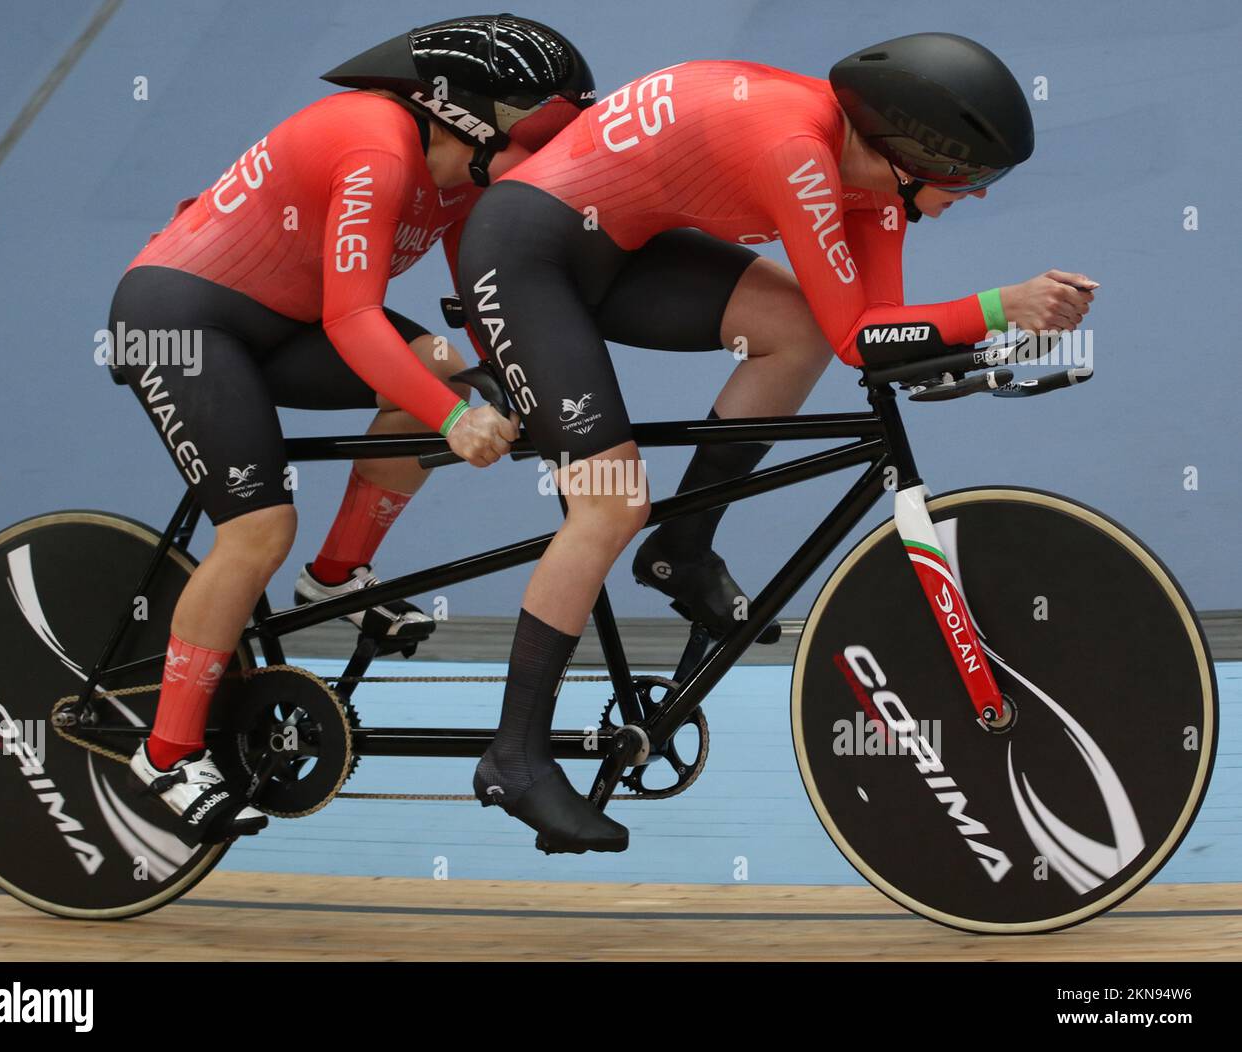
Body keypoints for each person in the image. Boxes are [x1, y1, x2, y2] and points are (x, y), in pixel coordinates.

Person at [456, 32, 1097, 853]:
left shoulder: (875, 188)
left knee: (794, 325)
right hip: (525, 250)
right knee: (611, 504)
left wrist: (992, 347)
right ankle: (514, 755)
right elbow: (866, 340)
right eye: (969, 178)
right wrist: (1002, 306)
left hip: (620, 248)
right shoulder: (796, 148)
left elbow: (874, 336)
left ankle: (681, 550)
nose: (974, 197)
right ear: (908, 151)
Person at [108, 15, 595, 845]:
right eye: (542, 129)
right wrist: (453, 419)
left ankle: (335, 577)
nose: (552, 152)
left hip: (281, 320)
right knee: (258, 530)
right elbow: (354, 318)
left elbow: (477, 308)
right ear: (472, 114)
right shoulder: (377, 145)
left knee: (453, 368)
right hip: (181, 319)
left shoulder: (463, 179)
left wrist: (518, 389)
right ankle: (163, 754)